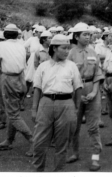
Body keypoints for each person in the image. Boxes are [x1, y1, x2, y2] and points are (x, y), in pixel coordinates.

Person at [31, 34, 83, 172]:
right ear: (54, 48)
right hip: (46, 103)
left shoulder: (72, 66)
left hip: (66, 103)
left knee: (62, 143)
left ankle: (58, 172)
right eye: (64, 48)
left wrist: (76, 108)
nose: (67, 51)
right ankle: (38, 171)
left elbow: (78, 87)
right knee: (39, 142)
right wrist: (34, 109)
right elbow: (37, 88)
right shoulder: (43, 66)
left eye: (68, 48)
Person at [66, 23, 104, 171]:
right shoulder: (70, 53)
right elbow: (67, 76)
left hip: (92, 89)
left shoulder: (93, 52)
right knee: (73, 126)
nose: (88, 37)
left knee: (93, 127)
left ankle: (95, 157)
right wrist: (77, 96)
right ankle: (74, 152)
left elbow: (98, 74)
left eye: (89, 34)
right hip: (75, 91)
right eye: (85, 35)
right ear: (76, 36)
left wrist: (94, 92)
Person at [0, 24, 33, 157]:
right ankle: (9, 140)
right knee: (13, 111)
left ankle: (33, 140)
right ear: (17, 34)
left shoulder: (1, 46)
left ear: (5, 35)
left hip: (9, 79)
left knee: (13, 114)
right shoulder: (21, 44)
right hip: (21, 78)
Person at [23, 26, 43, 102]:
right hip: (32, 58)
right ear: (36, 33)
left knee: (39, 77)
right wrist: (28, 53)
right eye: (39, 32)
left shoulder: (43, 40)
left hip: (41, 58)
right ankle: (26, 93)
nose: (40, 34)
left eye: (41, 32)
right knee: (29, 77)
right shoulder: (32, 39)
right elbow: (24, 46)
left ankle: (37, 96)